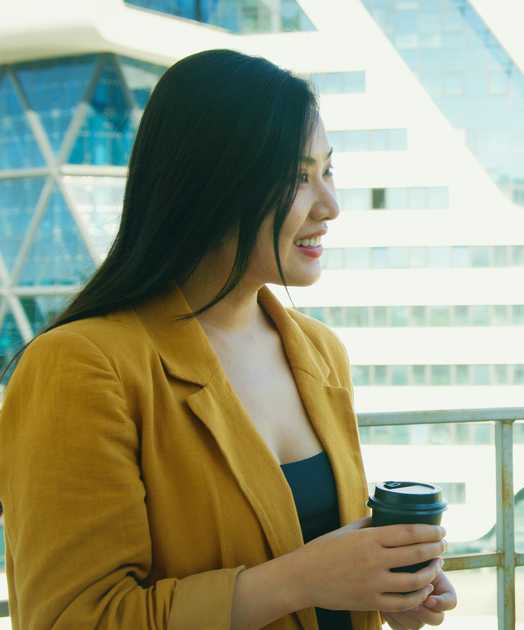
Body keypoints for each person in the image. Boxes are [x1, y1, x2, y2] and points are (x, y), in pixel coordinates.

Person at [0, 49, 456, 630]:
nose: (331, 206)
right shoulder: (82, 366)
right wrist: (302, 579)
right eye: (296, 176)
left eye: (327, 170)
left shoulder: (318, 351)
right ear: (214, 185)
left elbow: (324, 564)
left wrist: (390, 587)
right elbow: (71, 620)